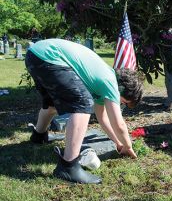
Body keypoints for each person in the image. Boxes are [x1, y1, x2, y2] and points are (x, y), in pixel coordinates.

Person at [25, 38, 143, 184]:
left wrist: (118, 143)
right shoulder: (111, 82)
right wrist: (128, 146)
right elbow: (118, 124)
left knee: (51, 105)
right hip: (50, 57)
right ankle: (68, 166)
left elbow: (103, 118)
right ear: (123, 90)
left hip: (35, 54)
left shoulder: (101, 81)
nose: (119, 104)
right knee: (83, 103)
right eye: (123, 102)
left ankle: (39, 135)